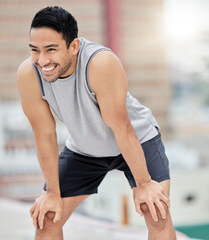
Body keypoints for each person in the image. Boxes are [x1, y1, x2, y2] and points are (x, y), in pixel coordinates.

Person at [17, 6, 176, 240]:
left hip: (136, 142)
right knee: (47, 219)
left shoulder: (100, 63)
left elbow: (121, 128)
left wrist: (144, 183)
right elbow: (44, 135)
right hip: (85, 149)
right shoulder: (28, 74)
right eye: (35, 50)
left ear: (74, 46)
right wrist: (52, 192)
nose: (42, 60)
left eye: (51, 49)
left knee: (156, 213)